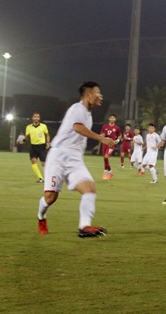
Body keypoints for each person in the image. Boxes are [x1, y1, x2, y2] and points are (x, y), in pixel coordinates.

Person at [37, 81, 115, 238]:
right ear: (87, 95)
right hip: (58, 156)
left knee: (90, 190)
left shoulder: (88, 114)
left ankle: (84, 226)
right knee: (50, 198)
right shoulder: (77, 108)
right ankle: (41, 216)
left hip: (75, 160)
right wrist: (102, 138)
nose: (101, 96)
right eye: (97, 92)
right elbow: (77, 127)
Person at [25, 111, 51, 183]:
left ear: (39, 118)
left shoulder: (43, 126)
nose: (36, 118)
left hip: (42, 147)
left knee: (44, 164)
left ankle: (48, 178)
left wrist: (48, 143)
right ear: (32, 118)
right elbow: (27, 136)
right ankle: (41, 178)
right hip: (33, 147)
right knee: (33, 161)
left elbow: (47, 134)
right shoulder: (28, 127)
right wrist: (24, 139)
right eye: (35, 117)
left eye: (37, 117)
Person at [100, 114, 121, 180]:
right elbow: (102, 134)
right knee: (105, 159)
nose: (112, 119)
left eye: (113, 118)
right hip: (105, 144)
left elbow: (120, 135)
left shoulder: (117, 128)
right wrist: (102, 137)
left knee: (106, 156)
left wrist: (117, 140)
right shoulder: (104, 126)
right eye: (111, 117)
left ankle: (105, 173)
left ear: (115, 119)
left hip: (111, 144)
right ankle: (110, 172)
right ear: (109, 119)